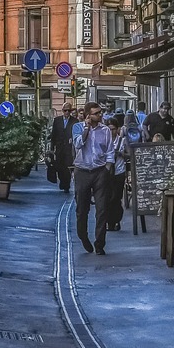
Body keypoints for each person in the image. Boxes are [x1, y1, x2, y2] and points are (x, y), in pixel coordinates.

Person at [72, 103, 116, 255]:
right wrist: (86, 128)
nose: (100, 115)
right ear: (88, 115)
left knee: (102, 208)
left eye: (100, 112)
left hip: (99, 171)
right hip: (82, 171)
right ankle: (83, 236)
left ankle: (99, 244)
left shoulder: (105, 130)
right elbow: (78, 144)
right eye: (96, 113)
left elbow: (110, 150)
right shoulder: (77, 127)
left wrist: (107, 168)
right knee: (82, 209)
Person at [105, 114, 128, 231]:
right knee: (108, 198)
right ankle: (109, 222)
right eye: (109, 129)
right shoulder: (104, 141)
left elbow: (129, 155)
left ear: (117, 129)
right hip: (107, 173)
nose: (111, 132)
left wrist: (121, 154)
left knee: (116, 198)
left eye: (113, 129)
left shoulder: (122, 141)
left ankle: (117, 220)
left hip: (119, 172)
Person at [48, 103, 76, 193]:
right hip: (59, 147)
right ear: (62, 110)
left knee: (67, 166)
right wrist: (52, 148)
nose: (67, 112)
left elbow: (76, 134)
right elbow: (54, 134)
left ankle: (66, 185)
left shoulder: (75, 121)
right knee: (59, 166)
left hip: (69, 148)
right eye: (65, 110)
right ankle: (62, 181)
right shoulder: (57, 120)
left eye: (69, 110)